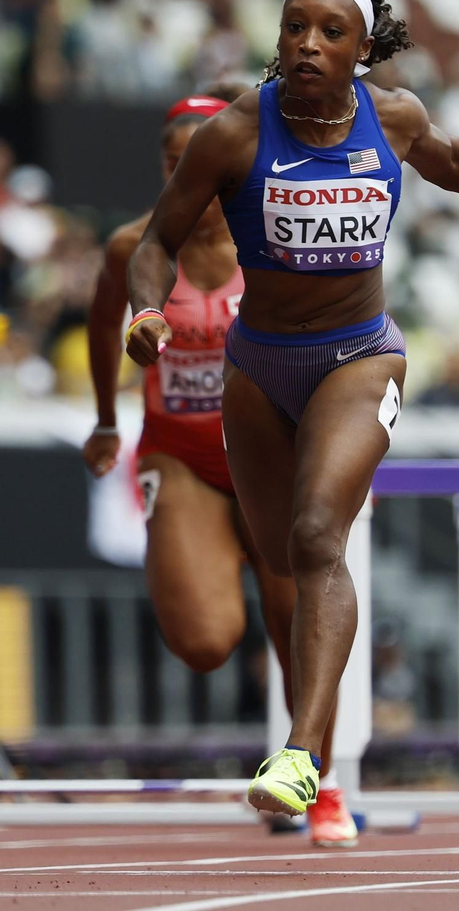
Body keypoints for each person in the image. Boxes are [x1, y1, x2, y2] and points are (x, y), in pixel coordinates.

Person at [123, 0, 459, 818]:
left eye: (328, 32)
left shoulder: (390, 115)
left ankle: (301, 757)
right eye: (294, 29)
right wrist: (146, 310)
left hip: (358, 356)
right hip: (255, 367)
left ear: (362, 49)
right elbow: (155, 243)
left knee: (320, 535)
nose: (308, 45)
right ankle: (299, 727)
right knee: (283, 563)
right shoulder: (237, 133)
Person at [85, 86, 358, 847]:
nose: (189, 183)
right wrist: (108, 417)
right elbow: (103, 317)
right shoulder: (134, 244)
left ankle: (321, 782)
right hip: (183, 453)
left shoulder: (276, 237)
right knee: (205, 642)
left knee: (291, 615)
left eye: (199, 166)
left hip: (272, 450)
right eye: (174, 168)